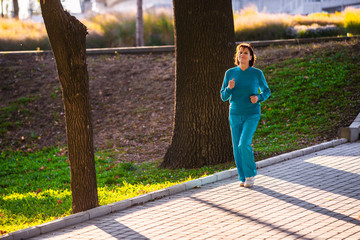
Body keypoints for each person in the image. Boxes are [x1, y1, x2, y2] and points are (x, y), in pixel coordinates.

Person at [220, 43, 271, 188]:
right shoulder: (230, 73)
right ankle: (242, 177)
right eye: (240, 52)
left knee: (244, 144)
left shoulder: (256, 74)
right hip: (235, 114)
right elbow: (223, 97)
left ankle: (250, 174)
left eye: (245, 53)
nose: (242, 55)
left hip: (252, 113)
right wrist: (229, 89)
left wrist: (258, 98)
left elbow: (266, 91)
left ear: (250, 57)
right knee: (237, 147)